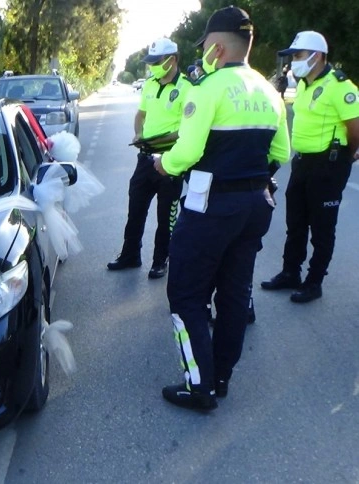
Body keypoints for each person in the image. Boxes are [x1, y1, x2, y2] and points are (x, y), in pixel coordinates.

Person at [152, 6, 291, 411]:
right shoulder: (270, 91)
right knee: (233, 295)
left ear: (215, 47)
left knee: (185, 296)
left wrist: (162, 164)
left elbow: (187, 153)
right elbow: (282, 150)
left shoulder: (207, 88)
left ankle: (199, 386)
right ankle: (221, 377)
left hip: (210, 205)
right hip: (255, 206)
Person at [261, 31, 359, 303]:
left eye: (299, 55)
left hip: (328, 165)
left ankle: (314, 281)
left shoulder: (340, 86)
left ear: (317, 56)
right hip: (302, 162)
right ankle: (290, 272)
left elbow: (356, 129)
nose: (294, 61)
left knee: (322, 227)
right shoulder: (304, 84)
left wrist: (345, 156)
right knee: (296, 222)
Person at [106, 37, 189, 279]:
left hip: (170, 161)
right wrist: (139, 134)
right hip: (145, 159)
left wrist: (157, 142)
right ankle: (130, 254)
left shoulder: (187, 88)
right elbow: (140, 115)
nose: (152, 66)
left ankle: (160, 261)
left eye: (156, 61)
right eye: (150, 62)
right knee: (136, 210)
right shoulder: (150, 85)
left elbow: (186, 129)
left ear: (172, 60)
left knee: (166, 217)